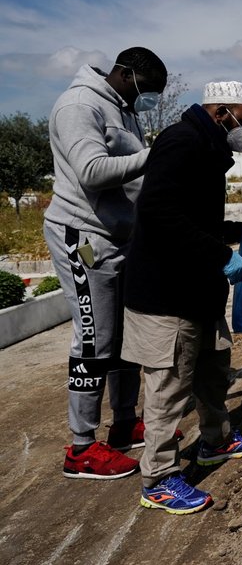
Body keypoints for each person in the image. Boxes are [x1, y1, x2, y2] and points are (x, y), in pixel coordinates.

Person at [122, 80, 242, 514]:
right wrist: (218, 254)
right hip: (165, 295)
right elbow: (159, 212)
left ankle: (216, 440)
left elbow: (193, 216)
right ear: (221, 112)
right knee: (169, 389)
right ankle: (159, 479)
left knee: (212, 369)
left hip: (197, 291)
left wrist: (238, 232)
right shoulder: (182, 142)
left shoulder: (207, 148)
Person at [44, 46, 171, 479]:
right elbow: (93, 171)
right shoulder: (79, 105)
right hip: (83, 237)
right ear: (126, 74)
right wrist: (156, 155)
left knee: (121, 337)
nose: (148, 100)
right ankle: (81, 448)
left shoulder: (121, 106)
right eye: (148, 90)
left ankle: (123, 423)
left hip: (118, 236)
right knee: (93, 339)